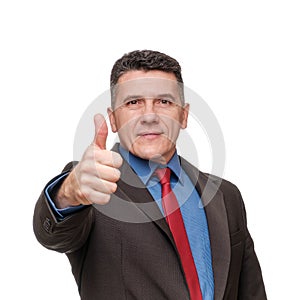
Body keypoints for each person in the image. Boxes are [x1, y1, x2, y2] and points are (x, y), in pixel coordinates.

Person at [33, 50, 267, 300]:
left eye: (164, 102)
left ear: (184, 115)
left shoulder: (225, 194)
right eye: (133, 103)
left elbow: (251, 291)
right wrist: (68, 193)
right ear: (113, 119)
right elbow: (53, 234)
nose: (149, 116)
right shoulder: (94, 186)